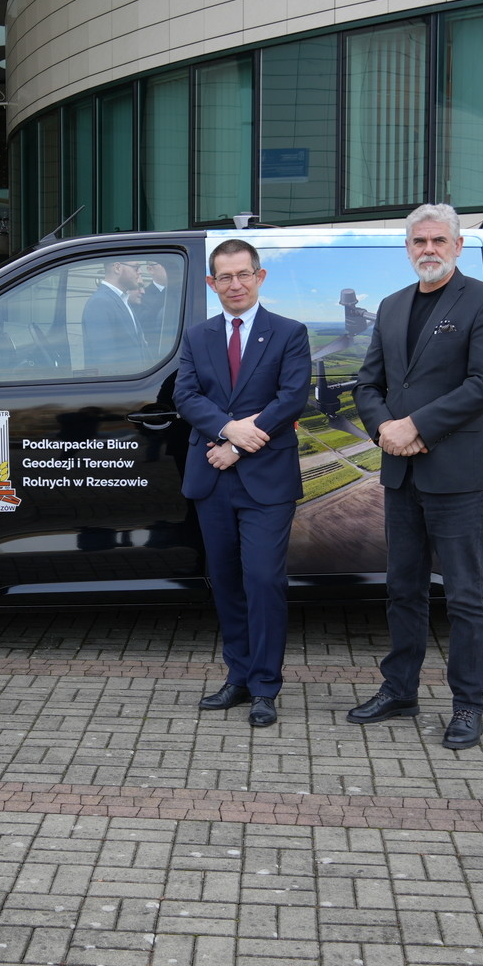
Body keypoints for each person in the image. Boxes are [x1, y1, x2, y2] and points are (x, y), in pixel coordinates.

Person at [349, 202, 483, 749]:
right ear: (408, 248)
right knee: (403, 590)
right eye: (419, 241)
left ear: (458, 246)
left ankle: (467, 705)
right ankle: (400, 690)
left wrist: (416, 426)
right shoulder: (392, 306)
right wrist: (385, 430)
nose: (429, 250)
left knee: (465, 595)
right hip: (401, 474)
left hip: (456, 476)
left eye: (439, 240)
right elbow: (367, 385)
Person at [174, 238, 310, 728]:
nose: (235, 284)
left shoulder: (289, 332)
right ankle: (239, 676)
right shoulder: (198, 337)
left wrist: (237, 445)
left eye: (243, 274)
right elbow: (185, 396)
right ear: (212, 284)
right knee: (227, 582)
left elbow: (292, 398)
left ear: (260, 277)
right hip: (212, 479)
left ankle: (266, 687)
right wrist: (228, 430)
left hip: (266, 480)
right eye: (225, 277)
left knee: (264, 580)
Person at [82, 260, 146, 370]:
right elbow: (105, 361)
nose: (140, 272)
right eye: (136, 268)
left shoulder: (121, 300)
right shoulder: (100, 303)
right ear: (117, 268)